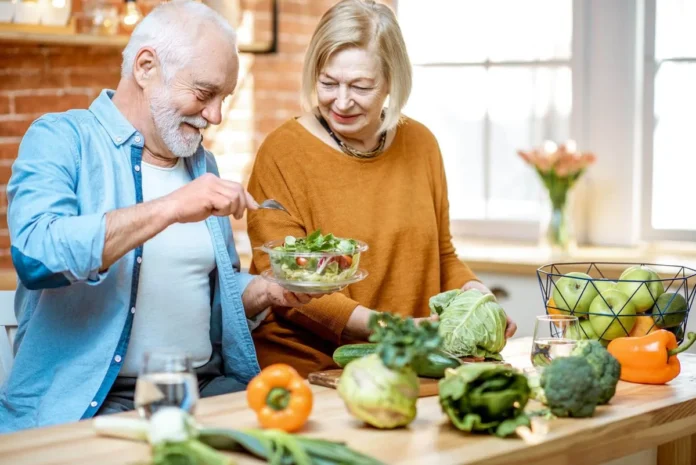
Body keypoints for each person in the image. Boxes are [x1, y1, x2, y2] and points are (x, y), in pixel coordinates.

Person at [0, 1, 317, 433]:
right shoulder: (61, 139)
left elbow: (199, 295)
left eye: (224, 99)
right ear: (146, 67)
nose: (216, 116)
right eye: (205, 94)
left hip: (206, 388)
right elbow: (37, 256)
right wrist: (170, 208)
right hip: (97, 402)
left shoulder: (201, 166)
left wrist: (266, 291)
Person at [246, 0, 517, 377]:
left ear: (392, 81)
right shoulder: (282, 152)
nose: (340, 101)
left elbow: (442, 253)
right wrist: (391, 329)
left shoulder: (421, 144)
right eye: (327, 83)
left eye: (361, 86)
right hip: (312, 370)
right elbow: (285, 282)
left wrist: (477, 298)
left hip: (409, 362)